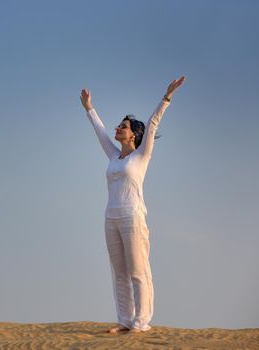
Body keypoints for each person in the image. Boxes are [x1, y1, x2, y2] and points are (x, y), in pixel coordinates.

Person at [79, 76, 186, 334]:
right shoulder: (114, 156)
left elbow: (152, 124)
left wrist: (167, 97)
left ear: (133, 135)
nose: (117, 128)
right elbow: (100, 132)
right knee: (119, 273)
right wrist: (89, 109)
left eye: (123, 126)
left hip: (133, 218)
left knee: (138, 271)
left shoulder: (141, 156)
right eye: (118, 125)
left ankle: (141, 322)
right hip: (111, 218)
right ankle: (125, 320)